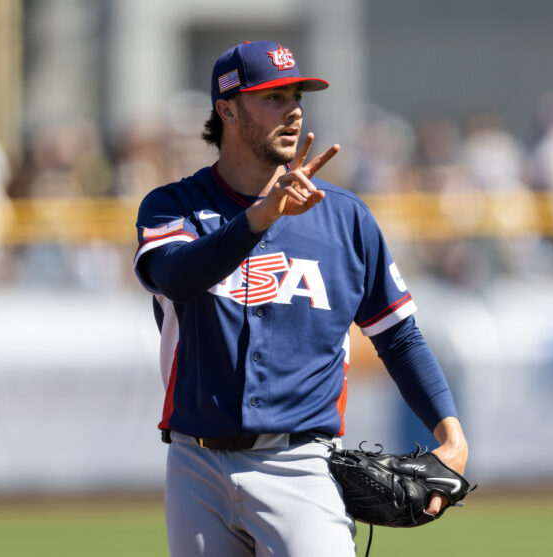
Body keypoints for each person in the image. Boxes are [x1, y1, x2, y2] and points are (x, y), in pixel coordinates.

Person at [133, 40, 468, 557]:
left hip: (302, 464)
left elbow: (398, 336)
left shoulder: (344, 217)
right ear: (225, 109)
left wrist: (452, 434)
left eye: (296, 96)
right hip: (194, 467)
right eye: (272, 97)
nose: (291, 110)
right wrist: (259, 218)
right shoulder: (175, 206)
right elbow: (176, 277)